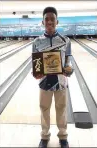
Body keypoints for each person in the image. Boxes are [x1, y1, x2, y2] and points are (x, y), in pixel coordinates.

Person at [32, 6, 74, 148]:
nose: (50, 22)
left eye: (52, 19)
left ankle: (63, 136)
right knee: (44, 109)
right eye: (46, 19)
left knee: (61, 109)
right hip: (44, 82)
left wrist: (69, 69)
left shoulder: (66, 40)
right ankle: (45, 136)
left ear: (57, 21)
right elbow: (35, 64)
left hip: (61, 82)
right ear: (43, 22)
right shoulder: (37, 42)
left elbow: (68, 60)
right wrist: (36, 72)